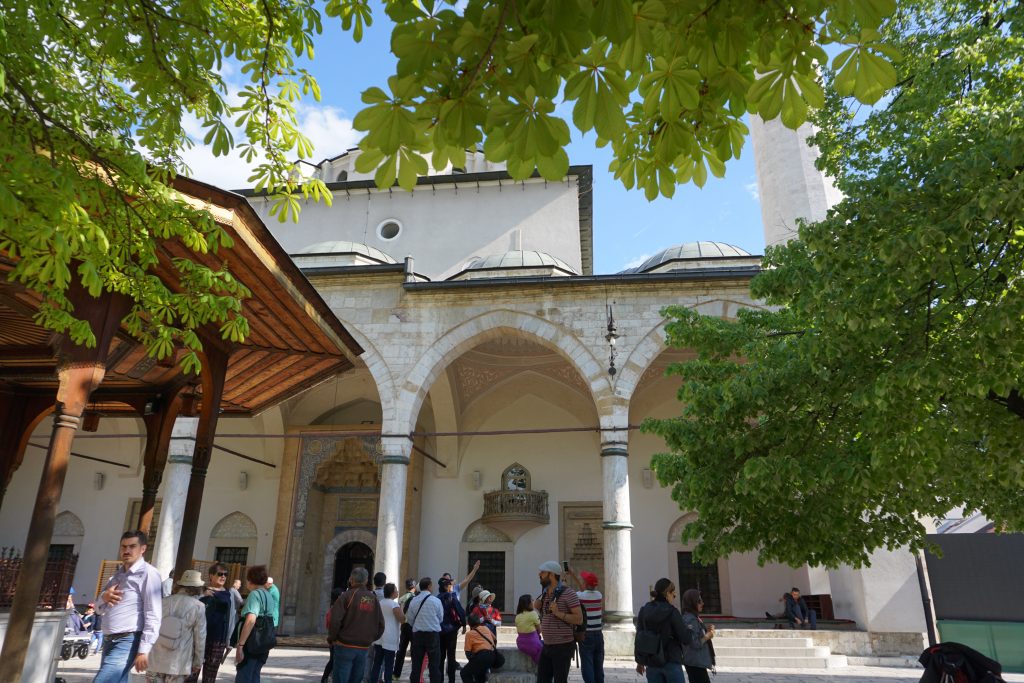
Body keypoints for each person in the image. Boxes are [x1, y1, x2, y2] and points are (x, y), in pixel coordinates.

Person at [94, 530, 163, 683]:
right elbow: (98, 609)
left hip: (128, 640)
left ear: (142, 549)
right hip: (109, 639)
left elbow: (153, 613)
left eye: (132, 546)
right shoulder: (116, 576)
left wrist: (144, 650)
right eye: (123, 547)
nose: (127, 551)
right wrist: (103, 597)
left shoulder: (149, 574)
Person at [147, 570, 207, 683]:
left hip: (156, 657)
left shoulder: (163, 601)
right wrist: (198, 662)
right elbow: (200, 637)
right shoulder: (199, 607)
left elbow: (151, 626)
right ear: (198, 588)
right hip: (178, 662)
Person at [187, 562, 243, 683]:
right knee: (191, 674)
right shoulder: (201, 590)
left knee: (210, 677)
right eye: (220, 574)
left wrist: (229, 641)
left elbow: (231, 617)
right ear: (211, 576)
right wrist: (202, 595)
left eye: (225, 574)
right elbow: (188, 606)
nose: (223, 577)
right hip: (198, 638)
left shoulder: (228, 594)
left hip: (218, 640)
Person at [328, 567, 385, 683]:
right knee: (356, 679)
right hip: (363, 647)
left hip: (345, 645)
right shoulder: (373, 598)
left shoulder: (346, 596)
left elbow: (335, 621)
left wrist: (332, 638)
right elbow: (381, 624)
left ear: (351, 579)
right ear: (366, 581)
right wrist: (370, 638)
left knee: (341, 678)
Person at [533, 561, 583, 683]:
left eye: (543, 572)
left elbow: (579, 619)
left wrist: (558, 613)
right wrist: (539, 607)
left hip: (563, 646)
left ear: (551, 575)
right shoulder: (545, 594)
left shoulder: (568, 593)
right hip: (547, 645)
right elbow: (547, 616)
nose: (539, 574)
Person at [634, 579, 686, 683]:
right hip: (671, 660)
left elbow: (639, 636)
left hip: (652, 661)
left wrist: (640, 661)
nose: (674, 596)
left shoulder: (644, 610)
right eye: (673, 593)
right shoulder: (673, 612)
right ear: (667, 594)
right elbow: (685, 637)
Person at [234, 565, 275, 682]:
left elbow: (251, 620)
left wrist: (240, 645)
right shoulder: (269, 595)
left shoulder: (254, 595)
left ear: (251, 580)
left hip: (252, 643)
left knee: (244, 676)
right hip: (264, 643)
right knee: (255, 674)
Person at [566, 568, 603, 683]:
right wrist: (573, 575)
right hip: (598, 634)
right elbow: (584, 590)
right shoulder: (598, 595)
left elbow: (570, 593)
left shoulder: (580, 596)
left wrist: (567, 578)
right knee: (598, 665)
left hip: (586, 635)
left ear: (586, 583)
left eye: (583, 581)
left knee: (587, 664)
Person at [407, 577, 443, 683]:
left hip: (418, 635)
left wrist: (417, 625)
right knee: (434, 665)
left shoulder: (414, 601)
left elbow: (410, 619)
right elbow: (440, 618)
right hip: (433, 635)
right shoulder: (436, 601)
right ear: (429, 587)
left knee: (416, 665)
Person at [368, 583, 406, 683]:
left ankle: (373, 681)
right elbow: (402, 619)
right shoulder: (394, 604)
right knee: (389, 664)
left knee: (377, 663)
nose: (397, 592)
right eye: (396, 590)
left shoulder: (380, 603)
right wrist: (402, 608)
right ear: (393, 593)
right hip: (390, 636)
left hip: (379, 636)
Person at [680, 589, 715, 683]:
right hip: (695, 662)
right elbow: (695, 643)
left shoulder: (692, 617)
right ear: (691, 602)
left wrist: (705, 630)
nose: (702, 603)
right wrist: (707, 636)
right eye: (699, 601)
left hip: (694, 662)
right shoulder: (690, 619)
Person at [437, 578, 466, 683]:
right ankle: (451, 680)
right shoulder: (452, 597)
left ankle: (439, 680)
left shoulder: (436, 598)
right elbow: (460, 611)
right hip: (451, 631)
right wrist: (464, 625)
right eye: (450, 585)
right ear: (446, 587)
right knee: (451, 656)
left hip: (439, 631)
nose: (452, 588)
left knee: (440, 657)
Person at [363, 571, 388, 683]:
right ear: (384, 582)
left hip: (369, 630)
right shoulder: (387, 596)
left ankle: (366, 677)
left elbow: (364, 613)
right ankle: (378, 678)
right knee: (381, 656)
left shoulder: (368, 595)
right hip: (383, 630)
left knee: (369, 656)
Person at [461, 614, 500, 683]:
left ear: (469, 624)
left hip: (481, 656)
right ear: (479, 622)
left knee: (464, 673)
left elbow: (468, 652)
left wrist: (472, 661)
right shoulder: (485, 628)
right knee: (479, 675)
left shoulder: (470, 634)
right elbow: (495, 639)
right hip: (492, 656)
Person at [392, 579, 418, 681]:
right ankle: (414, 675)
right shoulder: (415, 598)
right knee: (415, 651)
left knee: (401, 650)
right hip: (412, 626)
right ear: (415, 587)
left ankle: (396, 674)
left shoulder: (401, 598)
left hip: (403, 625)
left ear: (406, 587)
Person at [514, 594, 542, 664]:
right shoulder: (533, 614)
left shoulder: (518, 616)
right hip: (532, 644)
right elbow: (540, 630)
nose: (533, 601)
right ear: (528, 604)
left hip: (520, 644)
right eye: (532, 600)